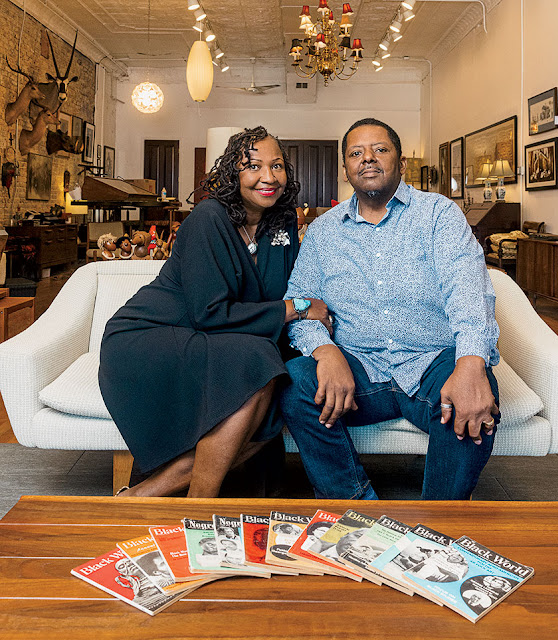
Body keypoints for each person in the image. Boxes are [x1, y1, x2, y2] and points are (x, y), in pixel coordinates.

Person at [99, 126, 331, 498]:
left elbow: (286, 287)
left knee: (278, 383)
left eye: (277, 166)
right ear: (232, 173)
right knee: (259, 361)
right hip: (151, 336)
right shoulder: (208, 218)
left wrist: (323, 345)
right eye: (253, 166)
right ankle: (198, 505)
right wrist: (298, 309)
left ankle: (142, 498)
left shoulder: (283, 221)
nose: (268, 177)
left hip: (215, 340)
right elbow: (211, 313)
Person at [281, 117, 500, 501]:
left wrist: (470, 362)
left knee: (472, 389)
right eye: (356, 153)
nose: (368, 158)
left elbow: (468, 291)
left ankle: (440, 524)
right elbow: (302, 300)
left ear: (401, 163)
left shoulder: (438, 214)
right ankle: (355, 510)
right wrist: (326, 351)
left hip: (432, 362)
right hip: (358, 370)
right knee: (296, 382)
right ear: (345, 169)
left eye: (380, 149)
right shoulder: (322, 232)